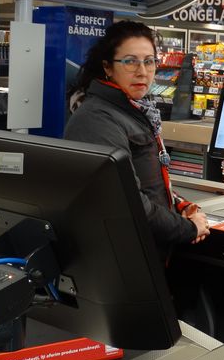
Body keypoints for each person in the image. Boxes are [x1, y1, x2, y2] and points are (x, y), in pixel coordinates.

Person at [64, 21, 209, 257]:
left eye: (149, 61)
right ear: (108, 67)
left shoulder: (135, 110)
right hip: (123, 258)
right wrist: (188, 229)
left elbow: (148, 183)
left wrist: (180, 205)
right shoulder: (97, 120)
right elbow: (127, 202)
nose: (142, 71)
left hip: (145, 250)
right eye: (130, 61)